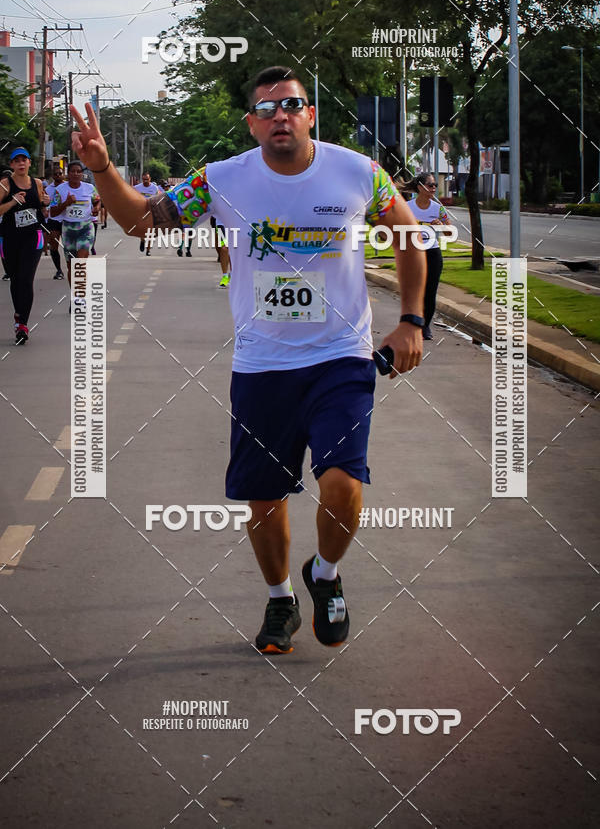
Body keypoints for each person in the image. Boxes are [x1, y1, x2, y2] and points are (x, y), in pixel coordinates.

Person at [70, 65, 426, 655]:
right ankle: (281, 597)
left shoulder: (360, 173)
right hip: (262, 365)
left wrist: (412, 321)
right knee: (265, 497)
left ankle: (327, 576)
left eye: (290, 105)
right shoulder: (219, 180)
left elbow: (413, 239)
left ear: (310, 114)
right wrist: (104, 168)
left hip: (341, 359)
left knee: (342, 483)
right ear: (252, 124)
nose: (279, 116)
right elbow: (141, 221)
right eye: (266, 109)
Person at [0, 148, 50, 344]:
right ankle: (19, 314)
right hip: (9, 237)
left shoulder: (37, 184)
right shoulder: (5, 184)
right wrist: (12, 201)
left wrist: (46, 203)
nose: (21, 163)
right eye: (17, 160)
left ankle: (23, 324)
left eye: (24, 160)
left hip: (33, 236)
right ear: (12, 164)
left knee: (26, 279)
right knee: (15, 279)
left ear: (30, 163)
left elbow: (43, 211)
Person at [401, 172, 451, 340]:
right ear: (420, 187)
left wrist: (441, 225)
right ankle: (412, 325)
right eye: (430, 185)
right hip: (413, 253)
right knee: (415, 291)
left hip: (433, 253)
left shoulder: (438, 209)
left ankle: (425, 326)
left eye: (435, 185)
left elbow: (450, 232)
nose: (434, 188)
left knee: (430, 291)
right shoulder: (407, 207)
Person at [50, 161, 99, 300]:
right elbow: (53, 212)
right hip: (68, 229)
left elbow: (97, 201)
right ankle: (76, 296)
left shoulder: (89, 188)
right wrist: (66, 203)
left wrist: (96, 208)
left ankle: (81, 297)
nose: (76, 174)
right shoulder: (60, 190)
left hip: (85, 227)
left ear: (82, 174)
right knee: (71, 266)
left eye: (79, 171)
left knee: (81, 262)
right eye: (73, 171)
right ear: (68, 173)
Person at [44, 163, 66, 279]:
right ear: (52, 176)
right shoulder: (48, 189)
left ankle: (72, 269)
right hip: (53, 220)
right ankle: (58, 270)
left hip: (67, 219)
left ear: (63, 174)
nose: (58, 175)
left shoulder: (68, 186)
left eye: (60, 173)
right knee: (54, 246)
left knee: (68, 247)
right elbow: (46, 203)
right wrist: (46, 210)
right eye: (55, 174)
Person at [133, 172, 159, 255]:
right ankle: (142, 241)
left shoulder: (154, 188)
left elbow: (158, 199)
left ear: (150, 179)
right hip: (141, 212)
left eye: (147, 179)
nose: (145, 181)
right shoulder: (137, 188)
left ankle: (148, 250)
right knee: (143, 231)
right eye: (144, 179)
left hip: (151, 212)